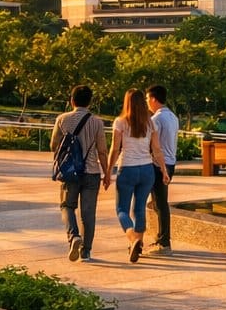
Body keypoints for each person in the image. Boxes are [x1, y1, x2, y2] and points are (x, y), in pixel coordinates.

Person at [105, 87, 170, 263]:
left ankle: (133, 239)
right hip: (147, 170)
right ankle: (138, 245)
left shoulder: (120, 122)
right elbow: (156, 150)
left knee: (121, 210)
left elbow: (115, 149)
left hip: (128, 169)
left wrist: (108, 171)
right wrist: (164, 170)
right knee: (139, 208)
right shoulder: (151, 123)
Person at [52, 85, 110, 261]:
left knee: (67, 206)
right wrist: (106, 173)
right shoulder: (97, 122)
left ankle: (73, 236)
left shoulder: (62, 119)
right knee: (88, 213)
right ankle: (86, 251)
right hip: (92, 172)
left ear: (72, 100)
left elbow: (53, 145)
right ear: (90, 102)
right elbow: (102, 150)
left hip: (70, 173)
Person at [146, 84, 179, 256]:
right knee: (158, 203)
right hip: (170, 162)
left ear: (153, 99)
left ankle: (164, 242)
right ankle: (161, 237)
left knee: (160, 203)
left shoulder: (156, 119)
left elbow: (153, 145)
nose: (147, 103)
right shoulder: (173, 117)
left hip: (159, 164)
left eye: (147, 99)